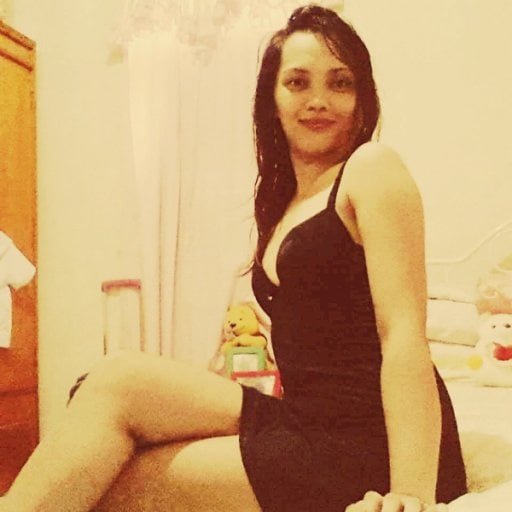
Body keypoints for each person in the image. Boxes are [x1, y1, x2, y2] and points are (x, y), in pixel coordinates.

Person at [0, 5, 466, 512]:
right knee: (116, 381)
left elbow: (403, 333)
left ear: (362, 98)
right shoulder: (287, 202)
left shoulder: (371, 168)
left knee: (109, 481)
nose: (318, 100)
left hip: (368, 442)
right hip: (305, 419)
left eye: (340, 83)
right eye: (297, 82)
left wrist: (412, 491)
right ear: (272, 99)